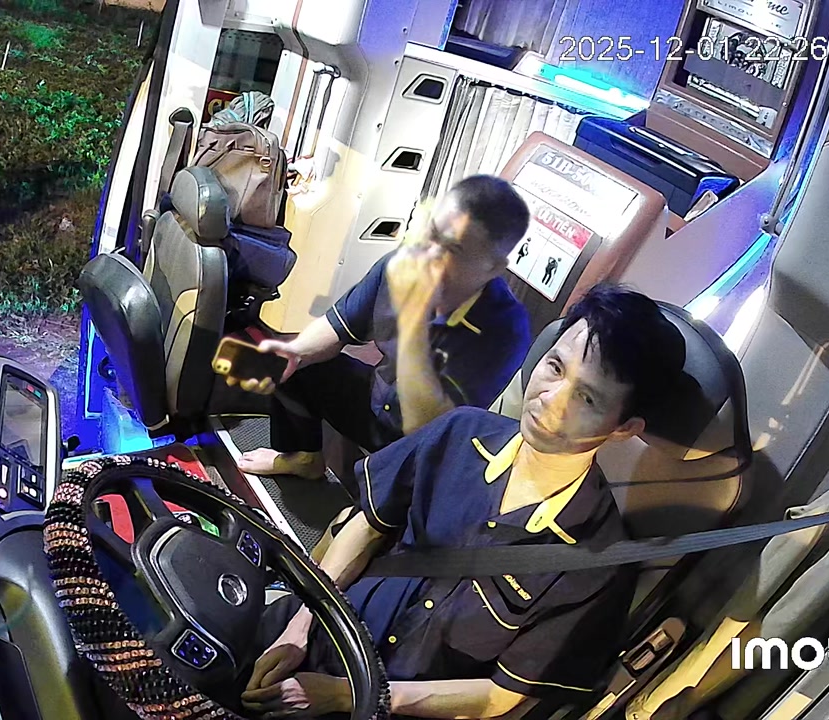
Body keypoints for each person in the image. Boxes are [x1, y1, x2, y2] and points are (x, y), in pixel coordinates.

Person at [241, 284, 687, 719]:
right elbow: (367, 525)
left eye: (586, 397)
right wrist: (300, 626)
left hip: (394, 703)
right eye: (555, 367)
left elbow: (500, 696)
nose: (551, 401)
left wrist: (346, 695)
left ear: (623, 428)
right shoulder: (460, 433)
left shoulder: (597, 564)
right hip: (328, 624)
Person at [234, 175, 533, 481]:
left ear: (494, 268)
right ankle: (304, 458)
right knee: (298, 365)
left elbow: (428, 425)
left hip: (426, 448)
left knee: (386, 492)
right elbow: (339, 326)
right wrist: (294, 353)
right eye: (432, 234)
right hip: (379, 403)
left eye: (453, 250)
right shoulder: (398, 264)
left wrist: (415, 321)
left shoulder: (506, 331)